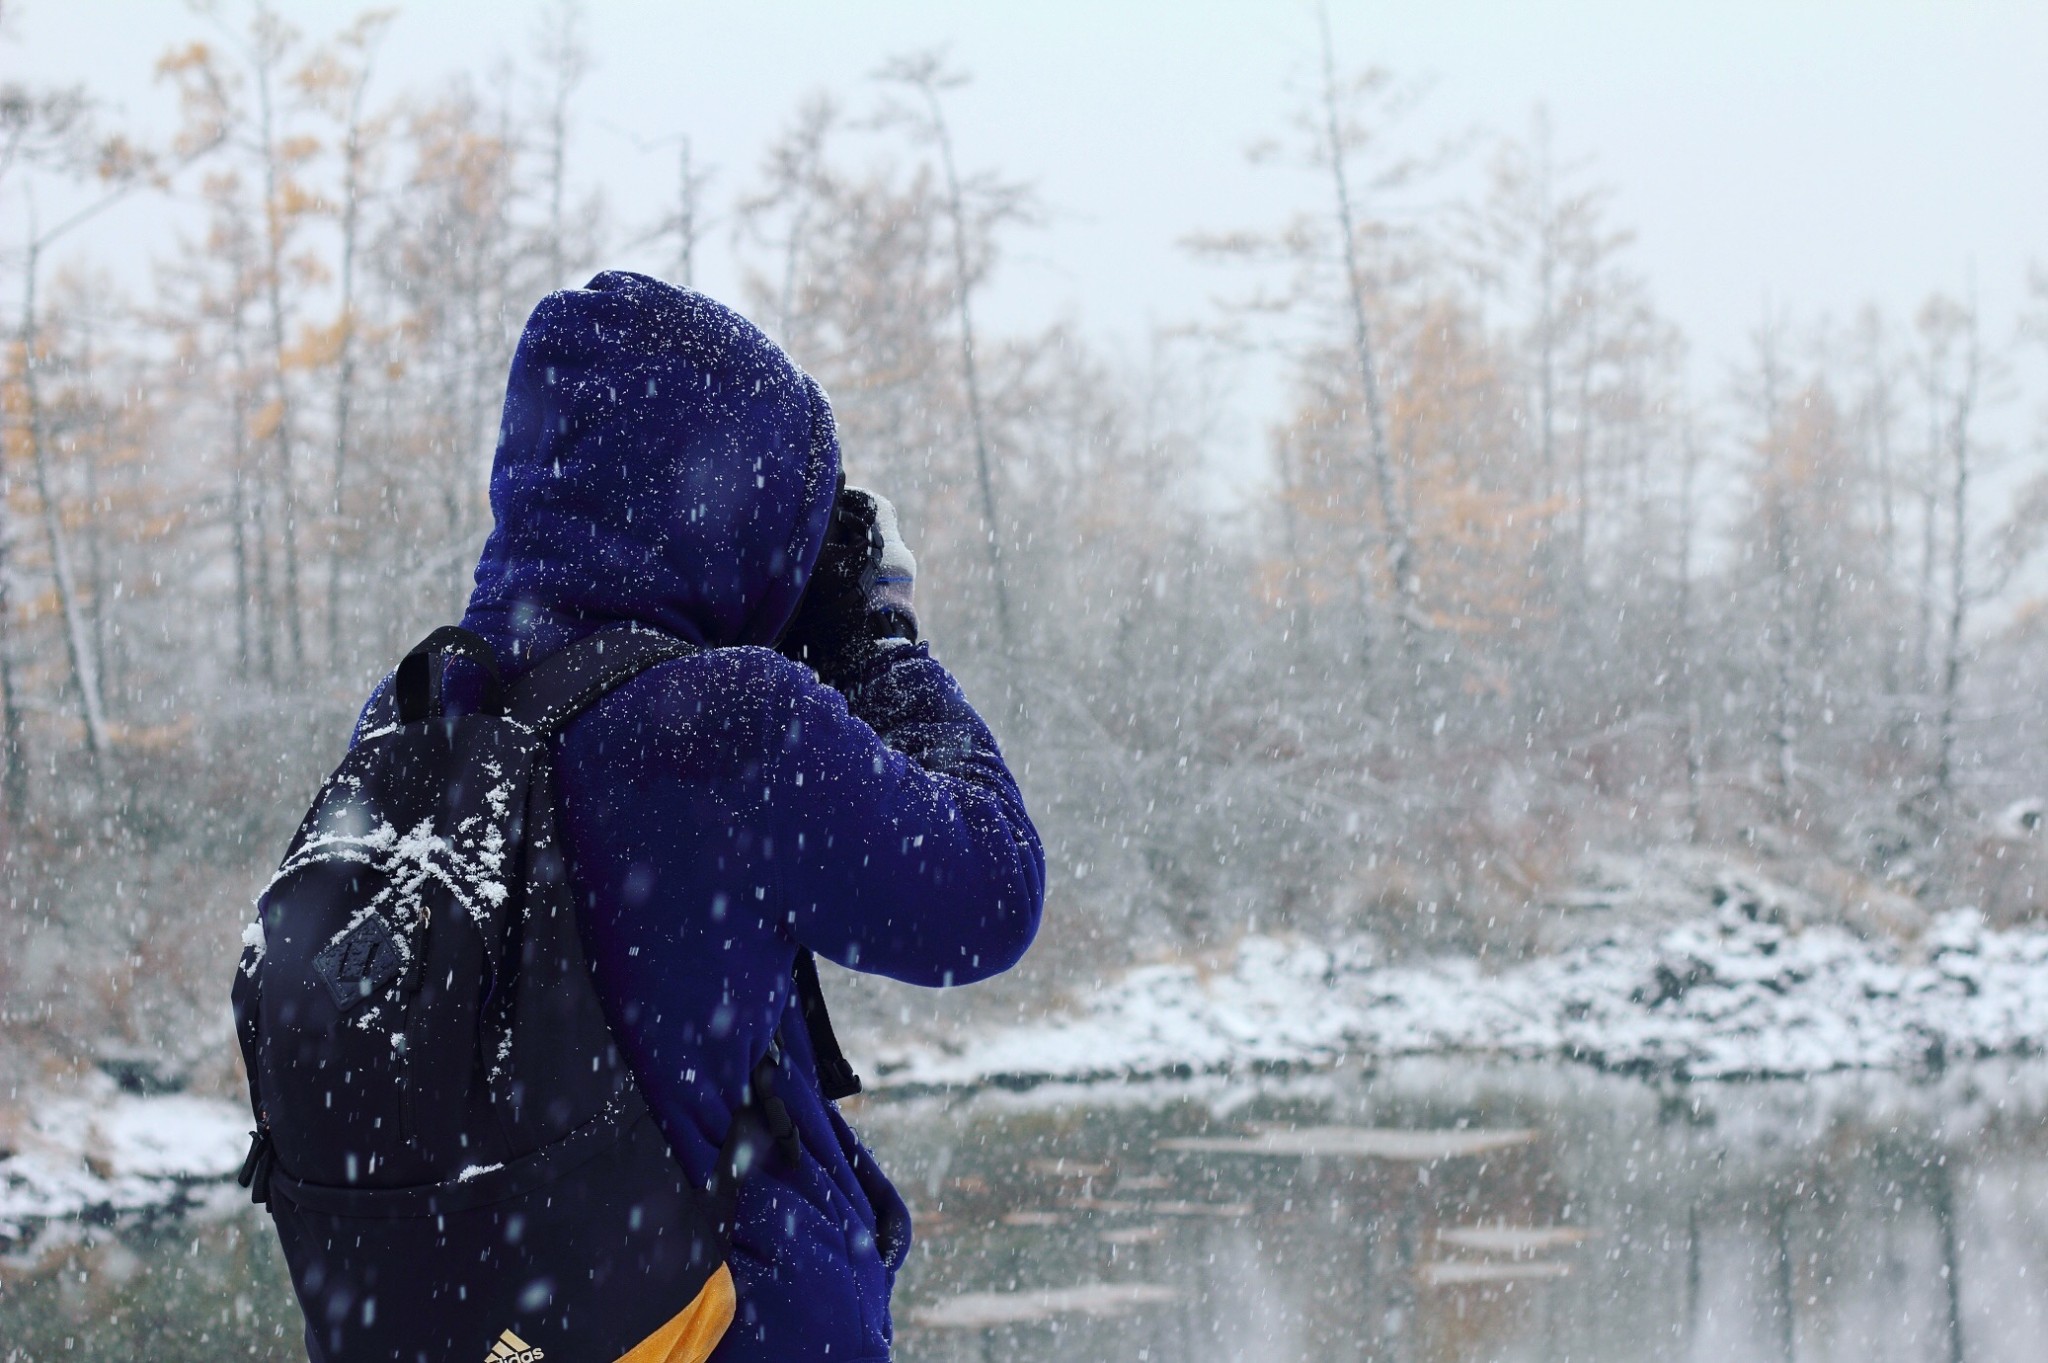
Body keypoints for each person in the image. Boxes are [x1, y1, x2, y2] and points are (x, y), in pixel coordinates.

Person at [415, 270, 1044, 1360]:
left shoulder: (426, 708)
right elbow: (987, 891)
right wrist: (872, 634)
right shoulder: (715, 722)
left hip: (493, 1330)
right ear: (735, 510)